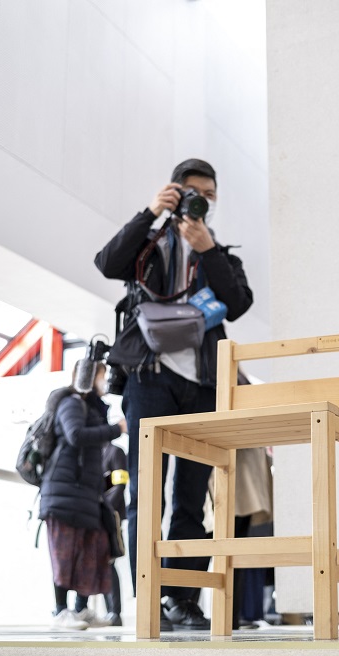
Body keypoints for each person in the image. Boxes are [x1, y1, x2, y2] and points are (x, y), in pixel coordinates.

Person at [94, 158, 253, 630]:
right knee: (145, 492)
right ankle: (148, 596)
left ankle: (183, 600)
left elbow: (239, 304)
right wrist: (149, 213)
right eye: (187, 189)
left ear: (212, 201)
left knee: (190, 497)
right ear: (173, 191)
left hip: (203, 383)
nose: (195, 198)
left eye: (205, 193)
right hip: (148, 378)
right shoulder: (149, 242)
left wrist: (208, 252)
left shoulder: (218, 252)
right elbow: (107, 263)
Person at [42, 362, 127, 631]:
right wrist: (116, 429)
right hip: (64, 492)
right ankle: (60, 610)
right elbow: (75, 435)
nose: (105, 381)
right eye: (102, 376)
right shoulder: (71, 403)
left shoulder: (92, 408)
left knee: (91, 552)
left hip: (85, 494)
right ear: (90, 377)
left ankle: (80, 609)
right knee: (64, 554)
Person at [73, 438, 128, 627]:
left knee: (108, 563)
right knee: (87, 562)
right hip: (90, 516)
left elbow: (120, 486)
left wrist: (103, 509)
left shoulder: (116, 452)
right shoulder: (89, 455)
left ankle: (115, 612)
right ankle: (82, 608)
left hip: (108, 517)